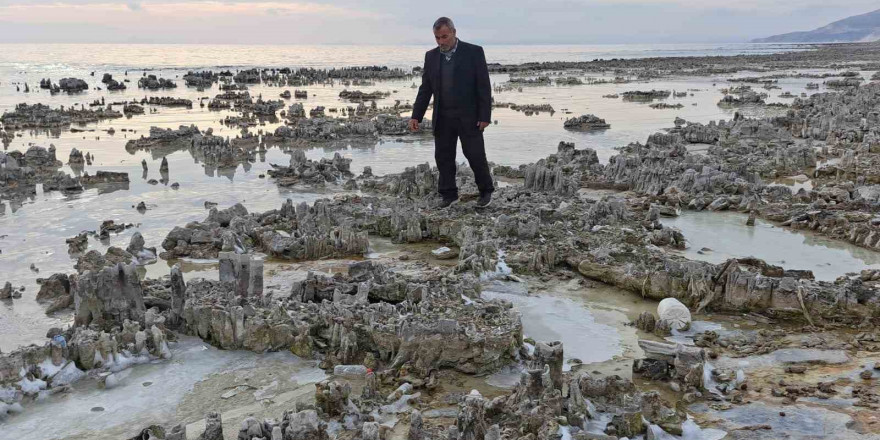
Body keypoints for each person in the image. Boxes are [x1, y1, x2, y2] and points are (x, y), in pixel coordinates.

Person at [409, 17, 494, 208]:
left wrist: (484, 116)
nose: (441, 42)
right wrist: (416, 115)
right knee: (443, 156)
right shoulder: (431, 56)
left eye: (444, 37)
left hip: (469, 117)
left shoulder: (474, 52)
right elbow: (425, 88)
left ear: (454, 33)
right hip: (443, 116)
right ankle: (448, 194)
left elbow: (483, 86)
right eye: (437, 38)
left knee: (475, 155)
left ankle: (486, 191)